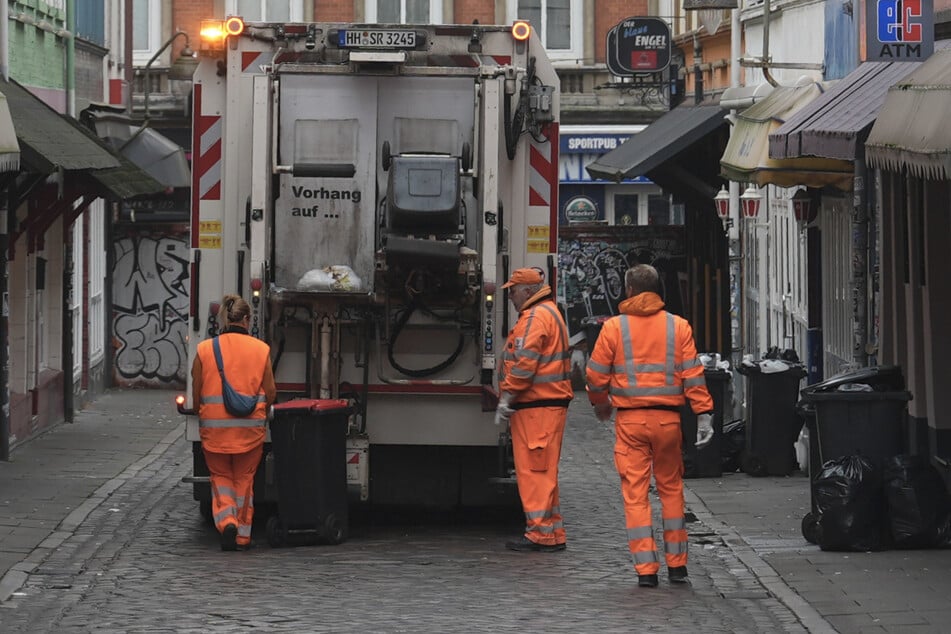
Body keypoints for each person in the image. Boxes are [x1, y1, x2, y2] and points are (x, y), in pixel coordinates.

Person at [585, 264, 714, 587]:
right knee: (671, 489)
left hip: (630, 421)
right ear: (657, 290)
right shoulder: (678, 326)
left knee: (635, 494)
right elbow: (693, 375)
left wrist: (601, 402)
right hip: (668, 421)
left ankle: (646, 570)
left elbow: (595, 375)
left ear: (628, 290)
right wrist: (704, 415)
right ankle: (678, 565)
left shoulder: (614, 328)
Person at [496, 267, 574, 552]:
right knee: (544, 471)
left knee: (534, 472)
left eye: (513, 291)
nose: (511, 297)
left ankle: (540, 534)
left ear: (527, 291)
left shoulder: (536, 317)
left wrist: (508, 396)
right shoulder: (548, 312)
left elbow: (525, 363)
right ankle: (551, 532)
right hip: (546, 406)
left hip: (537, 408)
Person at [192, 294, 277, 551]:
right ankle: (242, 534)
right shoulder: (261, 350)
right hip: (249, 431)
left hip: (215, 432)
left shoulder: (205, 350)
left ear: (223, 319)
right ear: (248, 319)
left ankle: (227, 520)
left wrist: (202, 411)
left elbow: (197, 391)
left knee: (220, 477)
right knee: (244, 480)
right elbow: (270, 391)